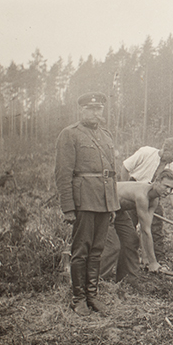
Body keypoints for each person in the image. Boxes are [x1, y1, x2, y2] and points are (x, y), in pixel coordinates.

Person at [55, 92, 120, 316]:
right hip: (83, 201)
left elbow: (111, 173)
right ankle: (78, 298)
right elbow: (63, 173)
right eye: (90, 109)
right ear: (80, 110)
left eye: (99, 108)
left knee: (97, 251)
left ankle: (92, 296)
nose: (95, 113)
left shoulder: (106, 135)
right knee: (80, 251)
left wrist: (112, 205)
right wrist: (68, 207)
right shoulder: (69, 134)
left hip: (104, 201)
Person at [101, 170, 173, 282]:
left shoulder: (154, 200)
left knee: (132, 240)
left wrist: (147, 258)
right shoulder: (142, 196)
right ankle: (97, 281)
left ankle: (127, 281)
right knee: (113, 246)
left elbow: (146, 230)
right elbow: (145, 231)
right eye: (166, 186)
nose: (168, 191)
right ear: (156, 182)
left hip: (119, 210)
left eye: (171, 189)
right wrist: (153, 262)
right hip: (104, 204)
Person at [120, 138, 173, 264]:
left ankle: (156, 262)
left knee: (155, 229)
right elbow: (125, 167)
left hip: (152, 197)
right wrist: (127, 188)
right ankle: (128, 260)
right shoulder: (146, 152)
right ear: (167, 149)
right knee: (128, 228)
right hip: (132, 193)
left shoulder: (171, 167)